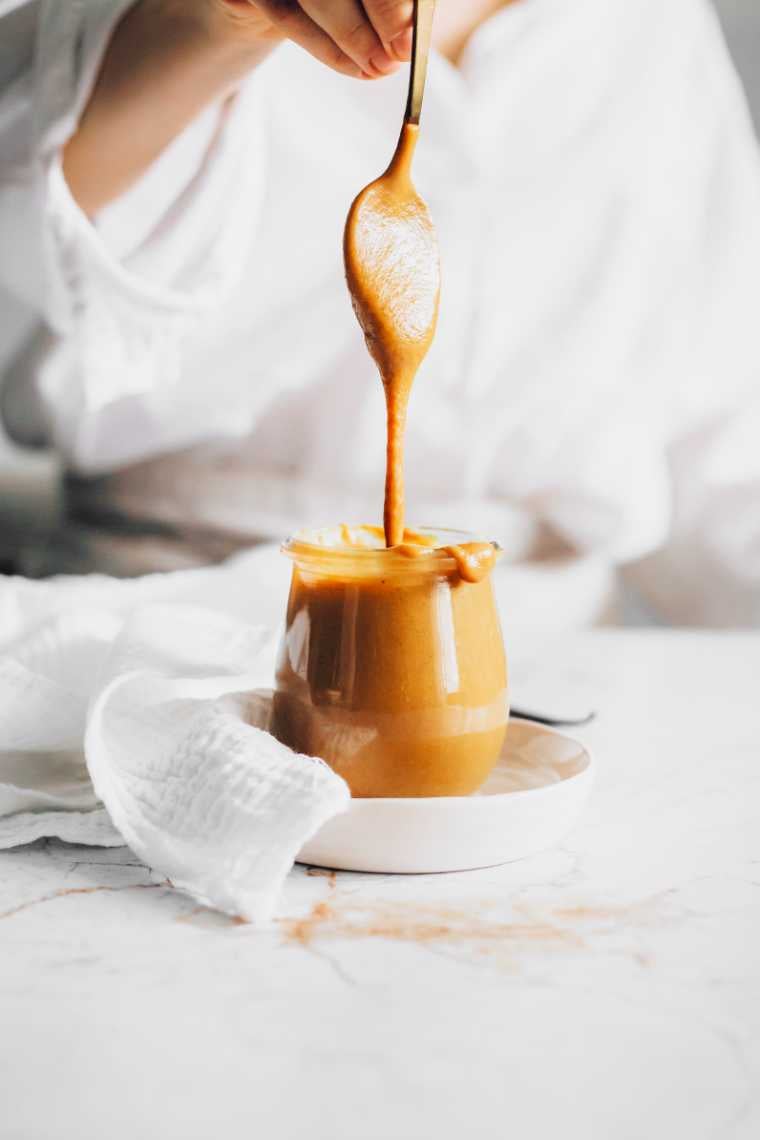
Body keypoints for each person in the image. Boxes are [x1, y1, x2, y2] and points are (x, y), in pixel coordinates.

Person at [1, 0, 760, 625]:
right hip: (156, 625)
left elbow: (720, 446)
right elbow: (22, 236)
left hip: (545, 654)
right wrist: (210, 26)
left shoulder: (654, 31)